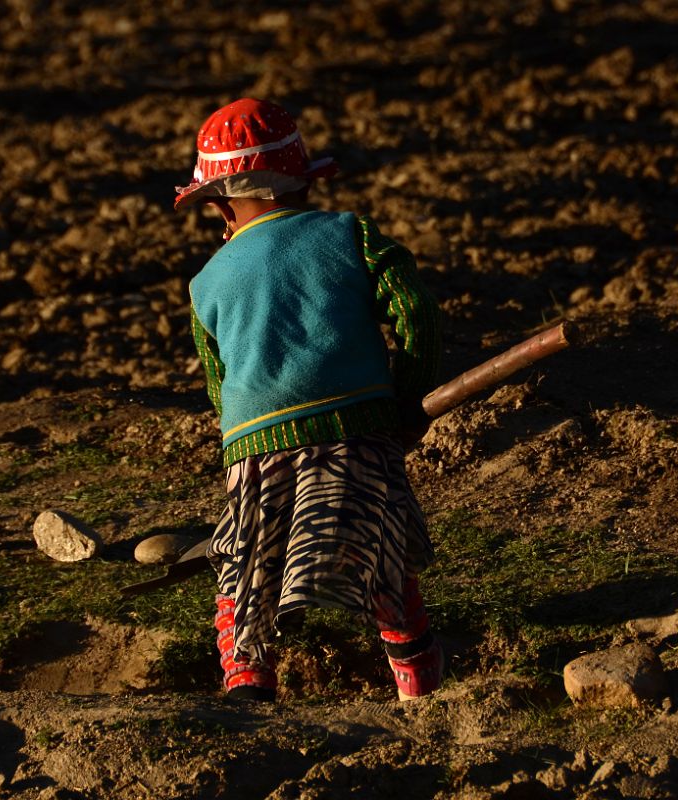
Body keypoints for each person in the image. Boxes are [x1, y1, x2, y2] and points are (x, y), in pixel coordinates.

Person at [175, 98, 444, 702]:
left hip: (253, 439)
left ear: (221, 206)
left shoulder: (205, 283)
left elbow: (218, 384)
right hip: (357, 423)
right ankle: (417, 683)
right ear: (301, 182)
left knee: (246, 556)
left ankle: (246, 677)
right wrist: (408, 396)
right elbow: (415, 310)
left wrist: (236, 432)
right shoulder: (350, 233)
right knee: (383, 546)